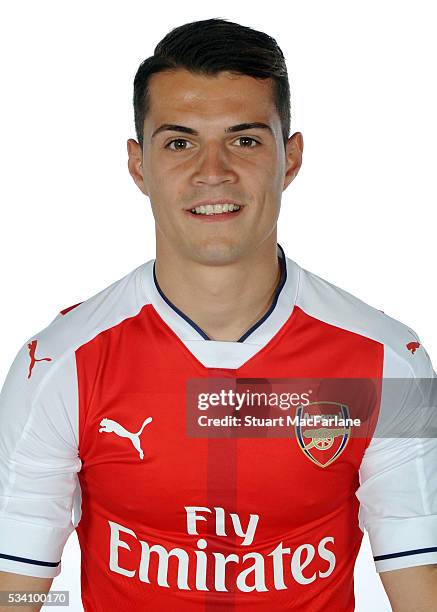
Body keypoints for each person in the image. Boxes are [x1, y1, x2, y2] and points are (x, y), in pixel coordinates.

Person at [0, 17, 436, 612]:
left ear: (291, 158)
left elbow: (421, 590)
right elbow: (16, 594)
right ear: (138, 166)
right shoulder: (55, 364)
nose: (213, 171)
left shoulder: (390, 363)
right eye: (180, 142)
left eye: (245, 139)